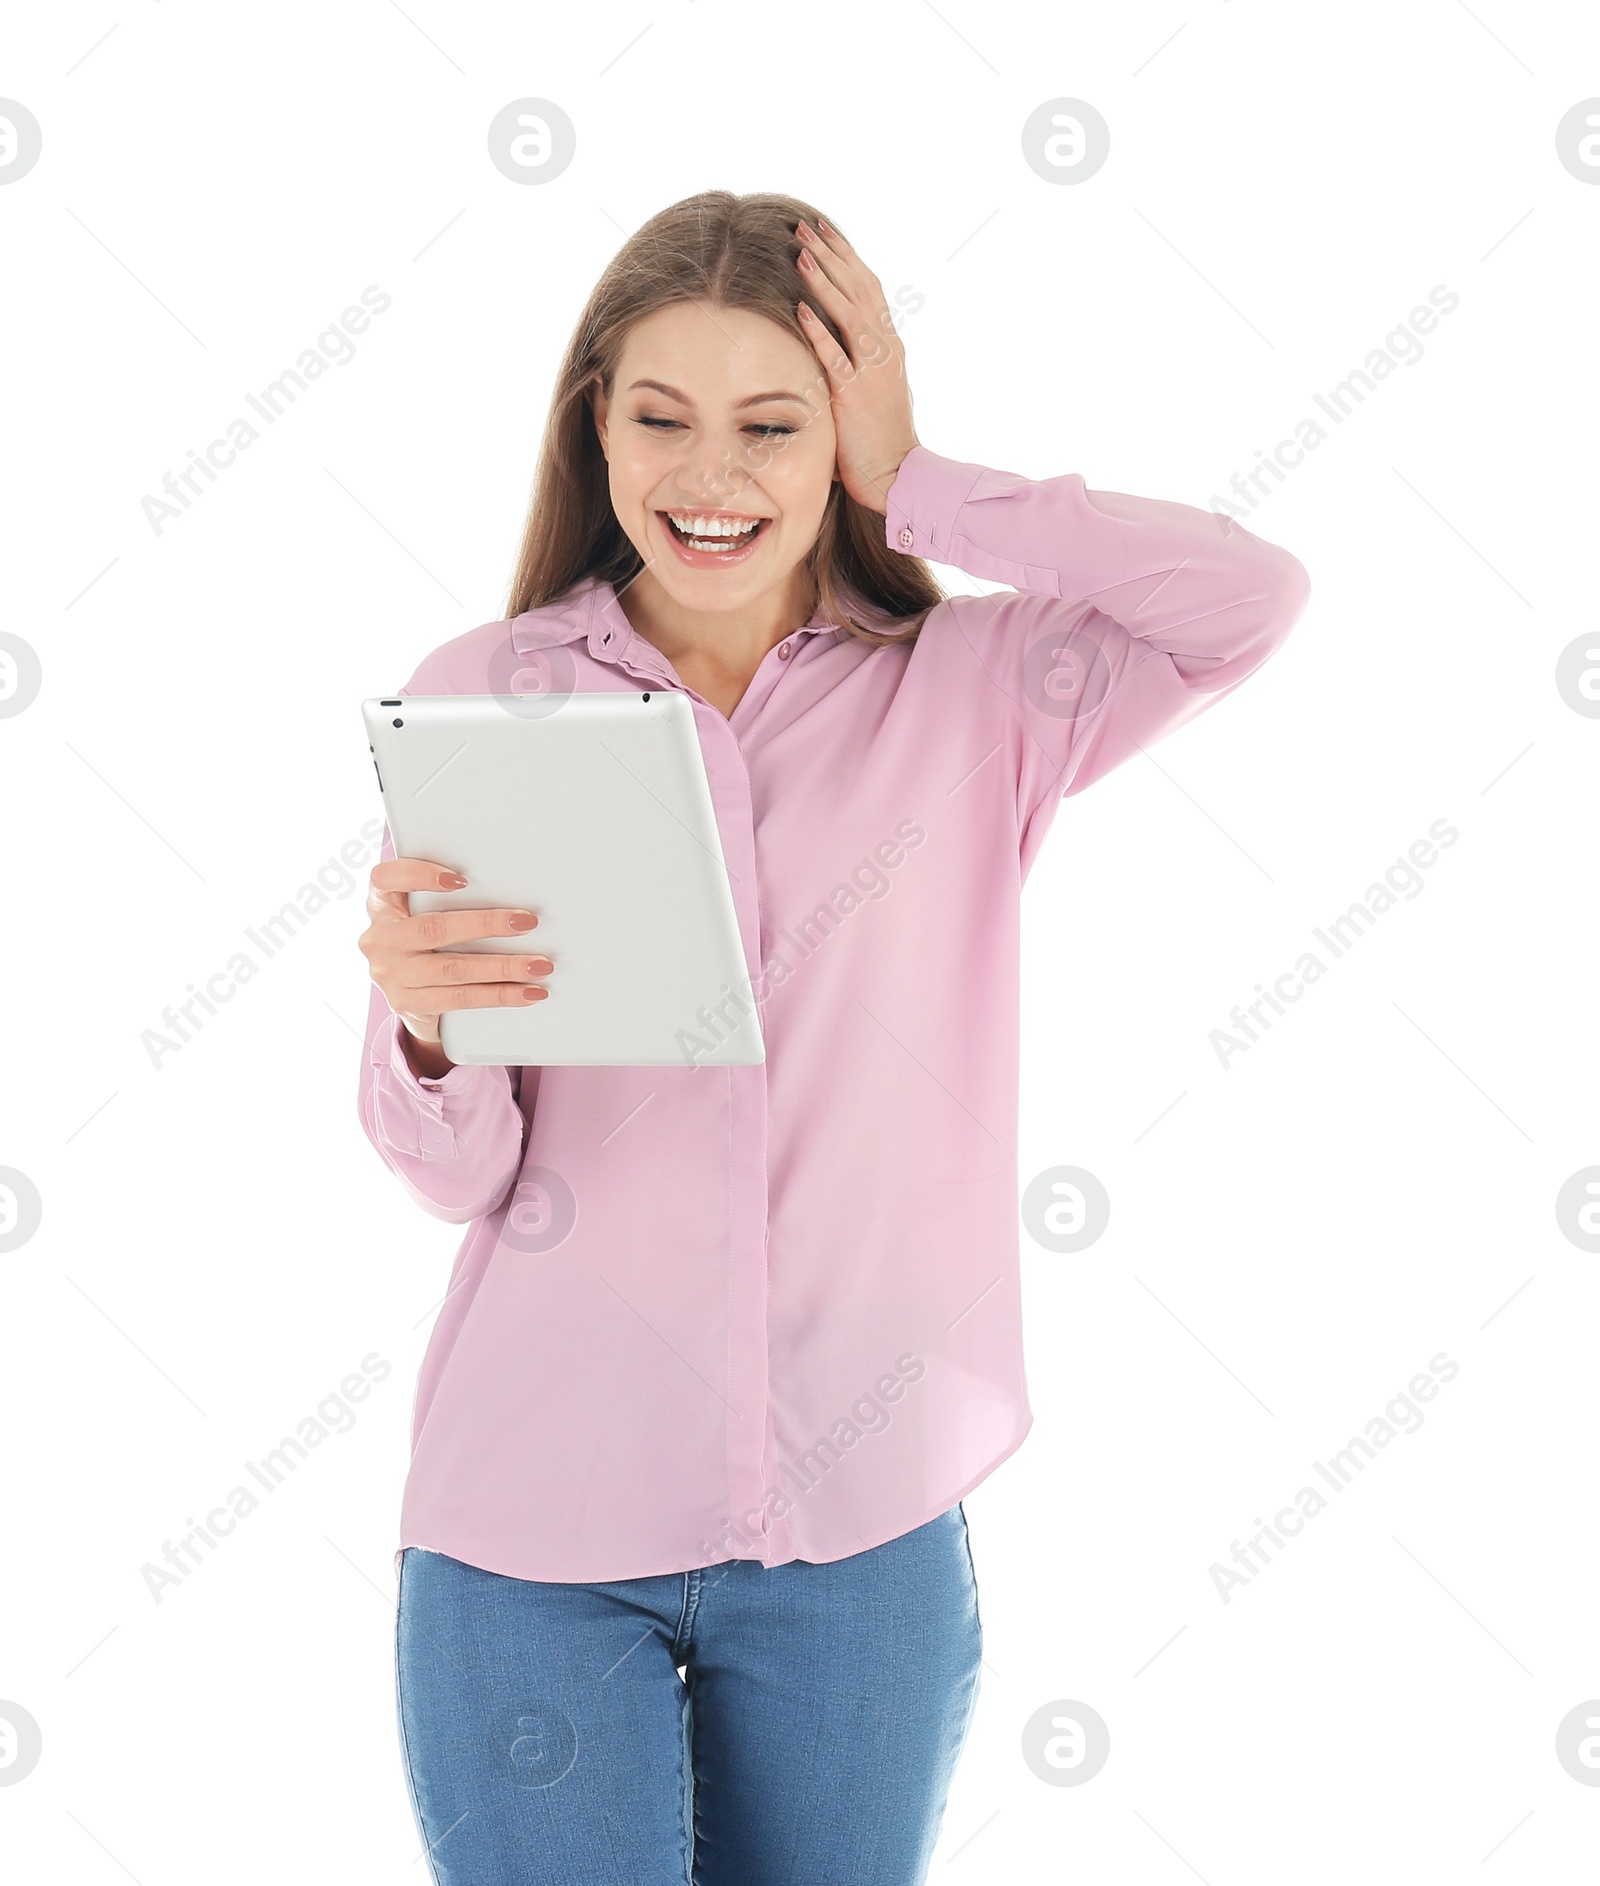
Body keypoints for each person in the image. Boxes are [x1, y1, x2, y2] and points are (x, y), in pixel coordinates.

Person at [355, 189, 1311, 1886]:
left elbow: (1244, 599)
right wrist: (425, 1021)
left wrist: (923, 480)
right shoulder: (492, 688)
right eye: (659, 416)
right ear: (594, 422)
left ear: (839, 440)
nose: (708, 476)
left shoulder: (978, 692)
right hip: (529, 1528)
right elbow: (459, 1170)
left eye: (771, 424)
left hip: (860, 1540)